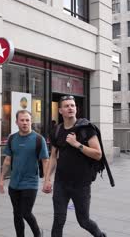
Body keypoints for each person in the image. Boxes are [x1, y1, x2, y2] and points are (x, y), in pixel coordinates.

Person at [42, 95, 106, 237]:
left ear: (76, 109)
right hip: (61, 183)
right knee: (58, 220)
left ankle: (101, 235)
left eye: (72, 105)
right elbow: (53, 157)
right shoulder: (56, 131)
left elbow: (98, 154)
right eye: (66, 106)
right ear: (60, 111)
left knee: (83, 221)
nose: (70, 108)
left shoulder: (86, 129)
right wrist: (47, 179)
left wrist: (77, 144)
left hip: (81, 184)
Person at [0, 110, 49, 237]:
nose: (25, 123)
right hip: (14, 184)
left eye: (27, 120)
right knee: (16, 214)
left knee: (26, 212)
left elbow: (45, 161)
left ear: (31, 121)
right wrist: (1, 179)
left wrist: (47, 181)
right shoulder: (12, 139)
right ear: (16, 122)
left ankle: (38, 233)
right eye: (22, 120)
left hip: (30, 183)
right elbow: (7, 160)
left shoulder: (39, 139)